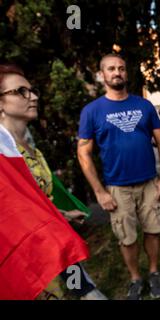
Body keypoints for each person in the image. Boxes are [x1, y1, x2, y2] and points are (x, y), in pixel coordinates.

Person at [0, 63, 105, 300]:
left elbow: (31, 206)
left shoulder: (32, 151)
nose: (34, 96)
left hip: (53, 247)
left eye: (33, 90)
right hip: (28, 258)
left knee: (88, 293)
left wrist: (63, 215)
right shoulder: (5, 158)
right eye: (21, 92)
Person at [77, 54, 160, 300]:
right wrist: (99, 191)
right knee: (126, 238)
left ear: (126, 73)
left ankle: (152, 272)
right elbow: (83, 153)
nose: (117, 72)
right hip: (117, 188)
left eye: (121, 68)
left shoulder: (144, 105)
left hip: (150, 182)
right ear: (102, 75)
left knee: (153, 230)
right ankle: (135, 278)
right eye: (111, 69)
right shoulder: (92, 111)